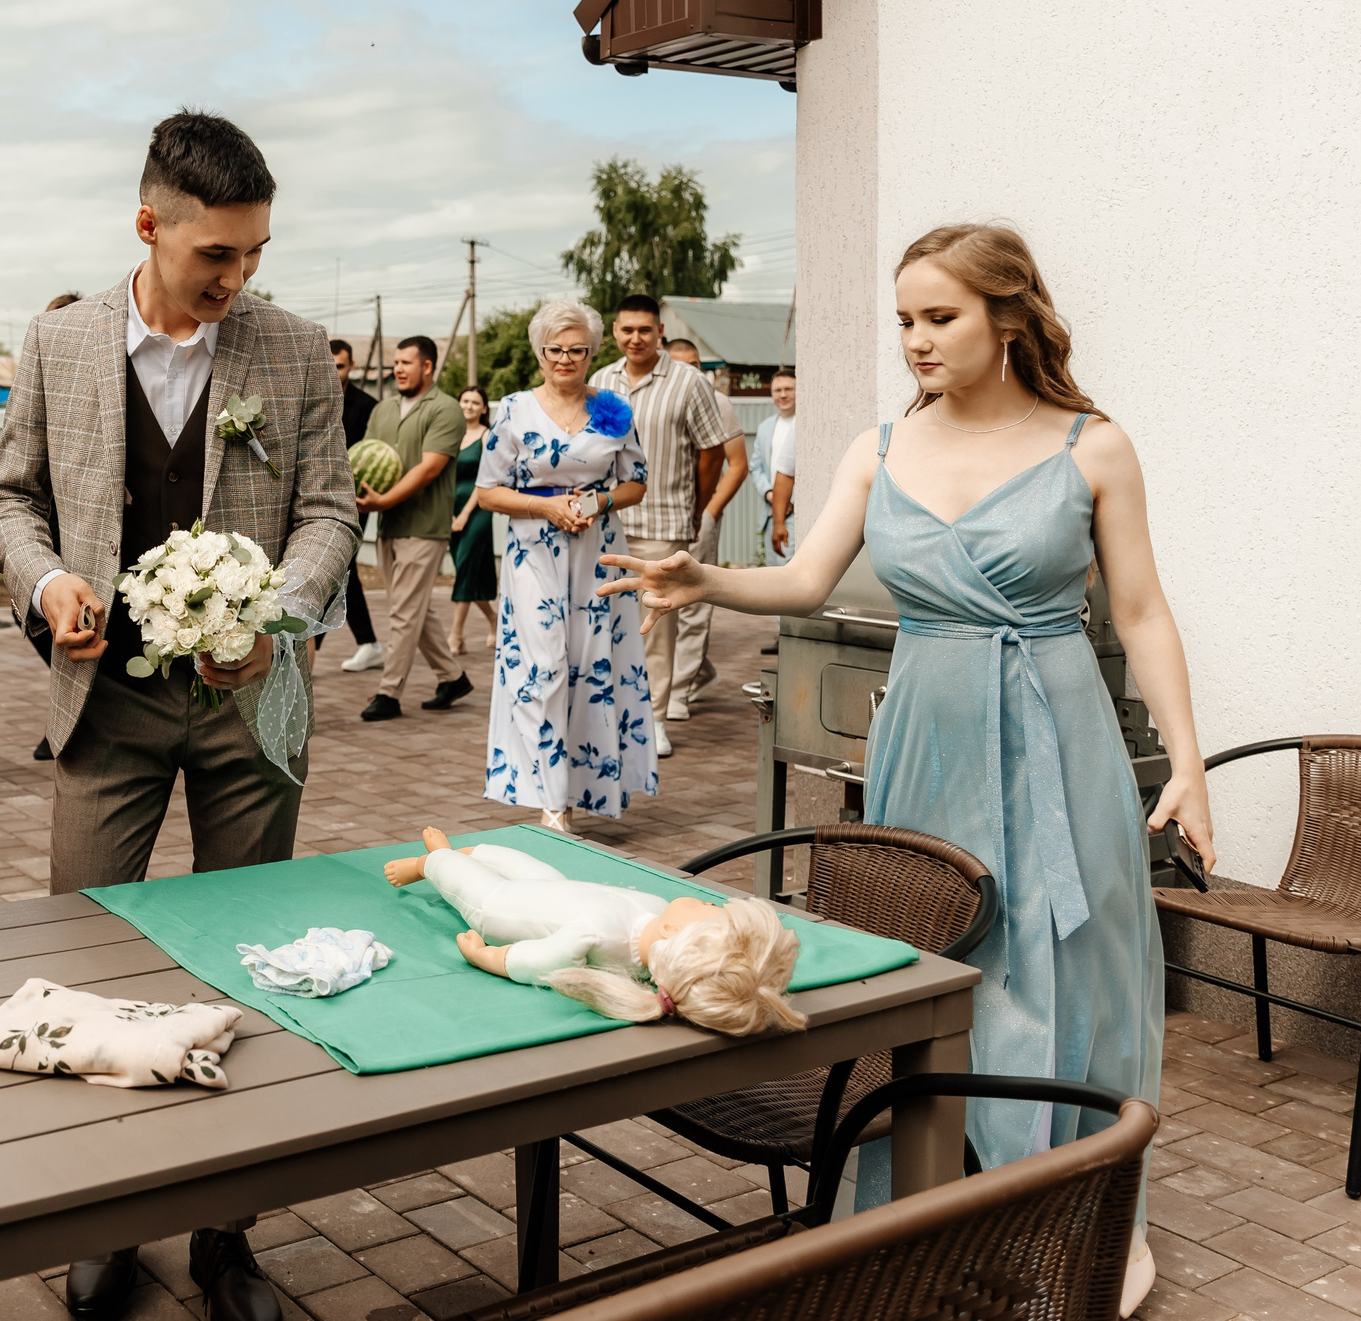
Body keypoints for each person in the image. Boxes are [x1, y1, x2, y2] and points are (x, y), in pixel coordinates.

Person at [594, 223, 1212, 1319]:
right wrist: (706, 579)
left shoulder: (1092, 446)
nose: (916, 342)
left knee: (1071, 968)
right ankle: (931, 1206)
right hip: (926, 729)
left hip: (1059, 729)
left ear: (1007, 317)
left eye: (940, 318)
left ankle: (1078, 1218)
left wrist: (1191, 765)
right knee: (937, 956)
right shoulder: (878, 448)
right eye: (905, 323)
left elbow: (1140, 611)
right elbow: (801, 582)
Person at [0, 109, 357, 1321]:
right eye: (216, 257)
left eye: (255, 255)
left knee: (247, 966)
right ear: (148, 227)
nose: (237, 280)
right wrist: (44, 582)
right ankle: (106, 1219)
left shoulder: (295, 353)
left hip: (252, 715)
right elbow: (10, 499)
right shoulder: (56, 342)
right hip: (109, 710)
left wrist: (280, 614)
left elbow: (330, 517)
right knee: (88, 958)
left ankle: (223, 1234)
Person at [476, 301, 650, 831]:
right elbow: (487, 493)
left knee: (593, 668)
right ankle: (551, 799)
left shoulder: (612, 409)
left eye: (577, 349)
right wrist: (545, 506)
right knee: (543, 666)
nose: (566, 359)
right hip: (533, 551)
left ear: (593, 352)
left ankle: (583, 793)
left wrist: (598, 503)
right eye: (555, 349)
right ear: (540, 353)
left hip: (596, 552)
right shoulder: (511, 410)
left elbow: (636, 481)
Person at [382, 828, 803, 1035]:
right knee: (512, 856)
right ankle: (468, 854)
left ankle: (431, 862)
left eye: (713, 911)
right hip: (557, 890)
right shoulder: (658, 922)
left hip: (504, 906)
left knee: (465, 878)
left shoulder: (598, 938)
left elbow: (537, 962)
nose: (712, 902)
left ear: (675, 933)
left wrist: (485, 957)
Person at [589, 296, 745, 730]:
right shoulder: (602, 381)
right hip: (611, 521)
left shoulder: (688, 381)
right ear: (615, 332)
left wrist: (697, 508)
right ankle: (611, 714)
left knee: (656, 626)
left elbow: (712, 450)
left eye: (644, 330)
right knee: (611, 622)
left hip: (665, 521)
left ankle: (654, 721)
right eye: (626, 330)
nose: (635, 338)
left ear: (659, 332)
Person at [356, 336, 468, 721]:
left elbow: (429, 468)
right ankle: (452, 677)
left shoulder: (447, 410)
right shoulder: (383, 409)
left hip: (425, 526)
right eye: (396, 363)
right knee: (412, 609)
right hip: (388, 524)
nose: (398, 369)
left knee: (403, 612)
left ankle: (389, 694)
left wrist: (382, 501)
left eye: (407, 362)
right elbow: (368, 457)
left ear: (427, 367)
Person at [27, 290, 86, 761]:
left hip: (87, 541)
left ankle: (68, 716)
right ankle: (70, 704)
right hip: (42, 539)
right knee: (44, 626)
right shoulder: (39, 381)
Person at [328, 338, 383, 672]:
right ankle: (368, 644)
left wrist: (366, 497)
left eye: (340, 366)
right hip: (315, 500)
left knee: (340, 570)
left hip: (353, 502)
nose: (334, 372)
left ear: (351, 367)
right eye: (329, 364)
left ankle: (367, 643)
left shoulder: (367, 405)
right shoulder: (313, 394)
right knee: (340, 574)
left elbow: (374, 453)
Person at [447, 386, 498, 653]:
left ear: (484, 408)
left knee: (465, 566)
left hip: (478, 509)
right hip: (450, 509)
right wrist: (449, 513)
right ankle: (494, 620)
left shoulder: (488, 435)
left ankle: (456, 636)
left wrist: (465, 514)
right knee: (466, 572)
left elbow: (486, 479)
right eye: (464, 400)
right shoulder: (450, 434)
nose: (468, 406)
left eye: (475, 402)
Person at [751, 371, 797, 564]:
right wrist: (770, 493)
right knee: (773, 569)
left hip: (795, 510)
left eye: (788, 389)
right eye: (777, 390)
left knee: (790, 568)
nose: (783, 395)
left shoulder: (804, 423)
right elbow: (756, 467)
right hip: (771, 510)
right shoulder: (765, 427)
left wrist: (789, 498)